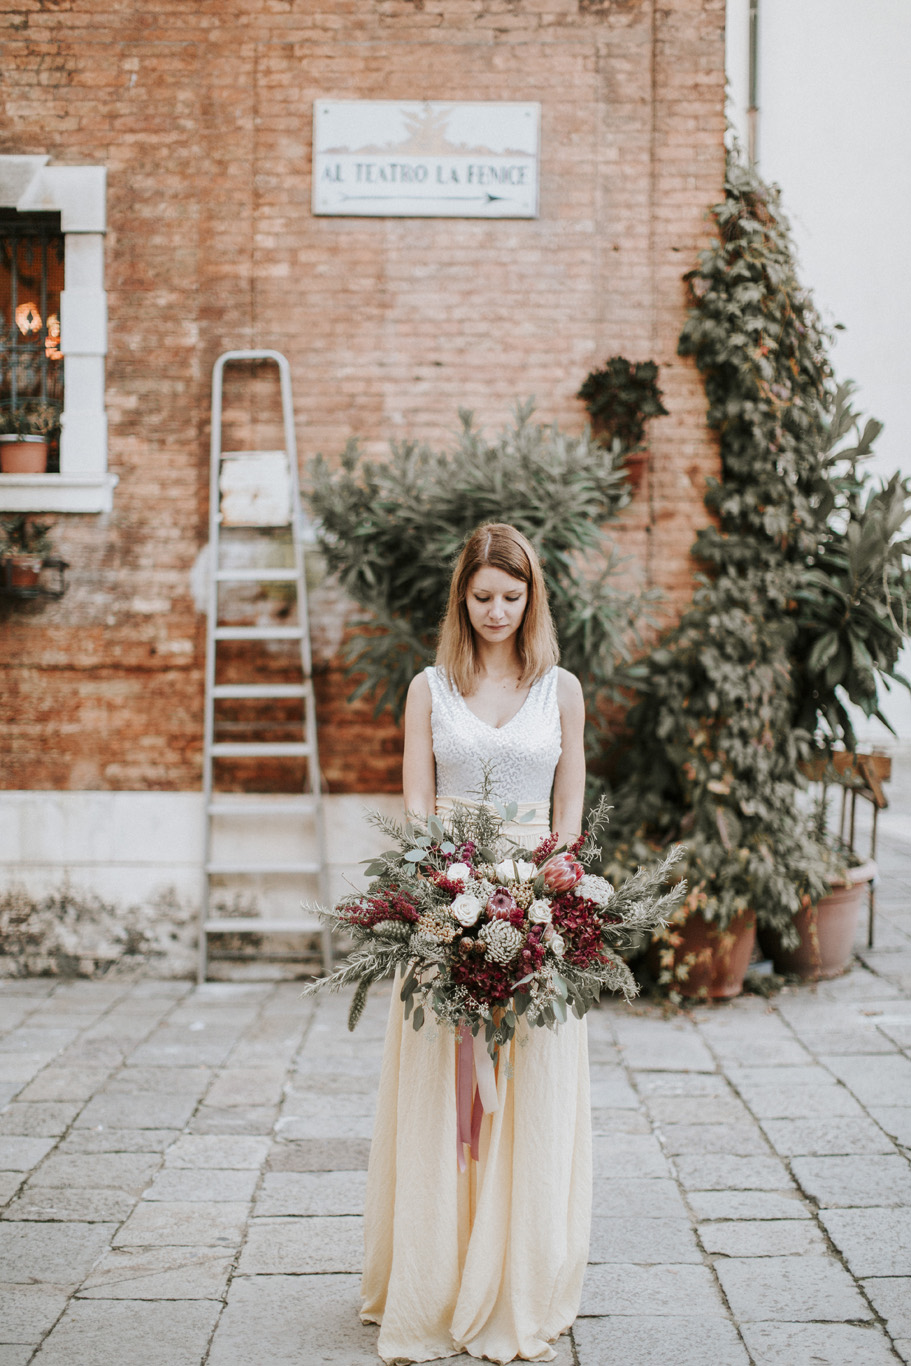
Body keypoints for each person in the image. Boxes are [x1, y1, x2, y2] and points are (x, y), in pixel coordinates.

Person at [361, 522, 592, 1365]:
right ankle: (435, 1277)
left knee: (528, 1092)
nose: (498, 610)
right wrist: (446, 889)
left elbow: (569, 817)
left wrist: (540, 893)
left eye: (513, 596)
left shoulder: (560, 689)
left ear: (532, 597)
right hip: (446, 907)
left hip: (534, 912)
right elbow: (417, 808)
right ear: (462, 595)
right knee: (440, 1093)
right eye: (483, 596)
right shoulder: (429, 687)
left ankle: (518, 1278)